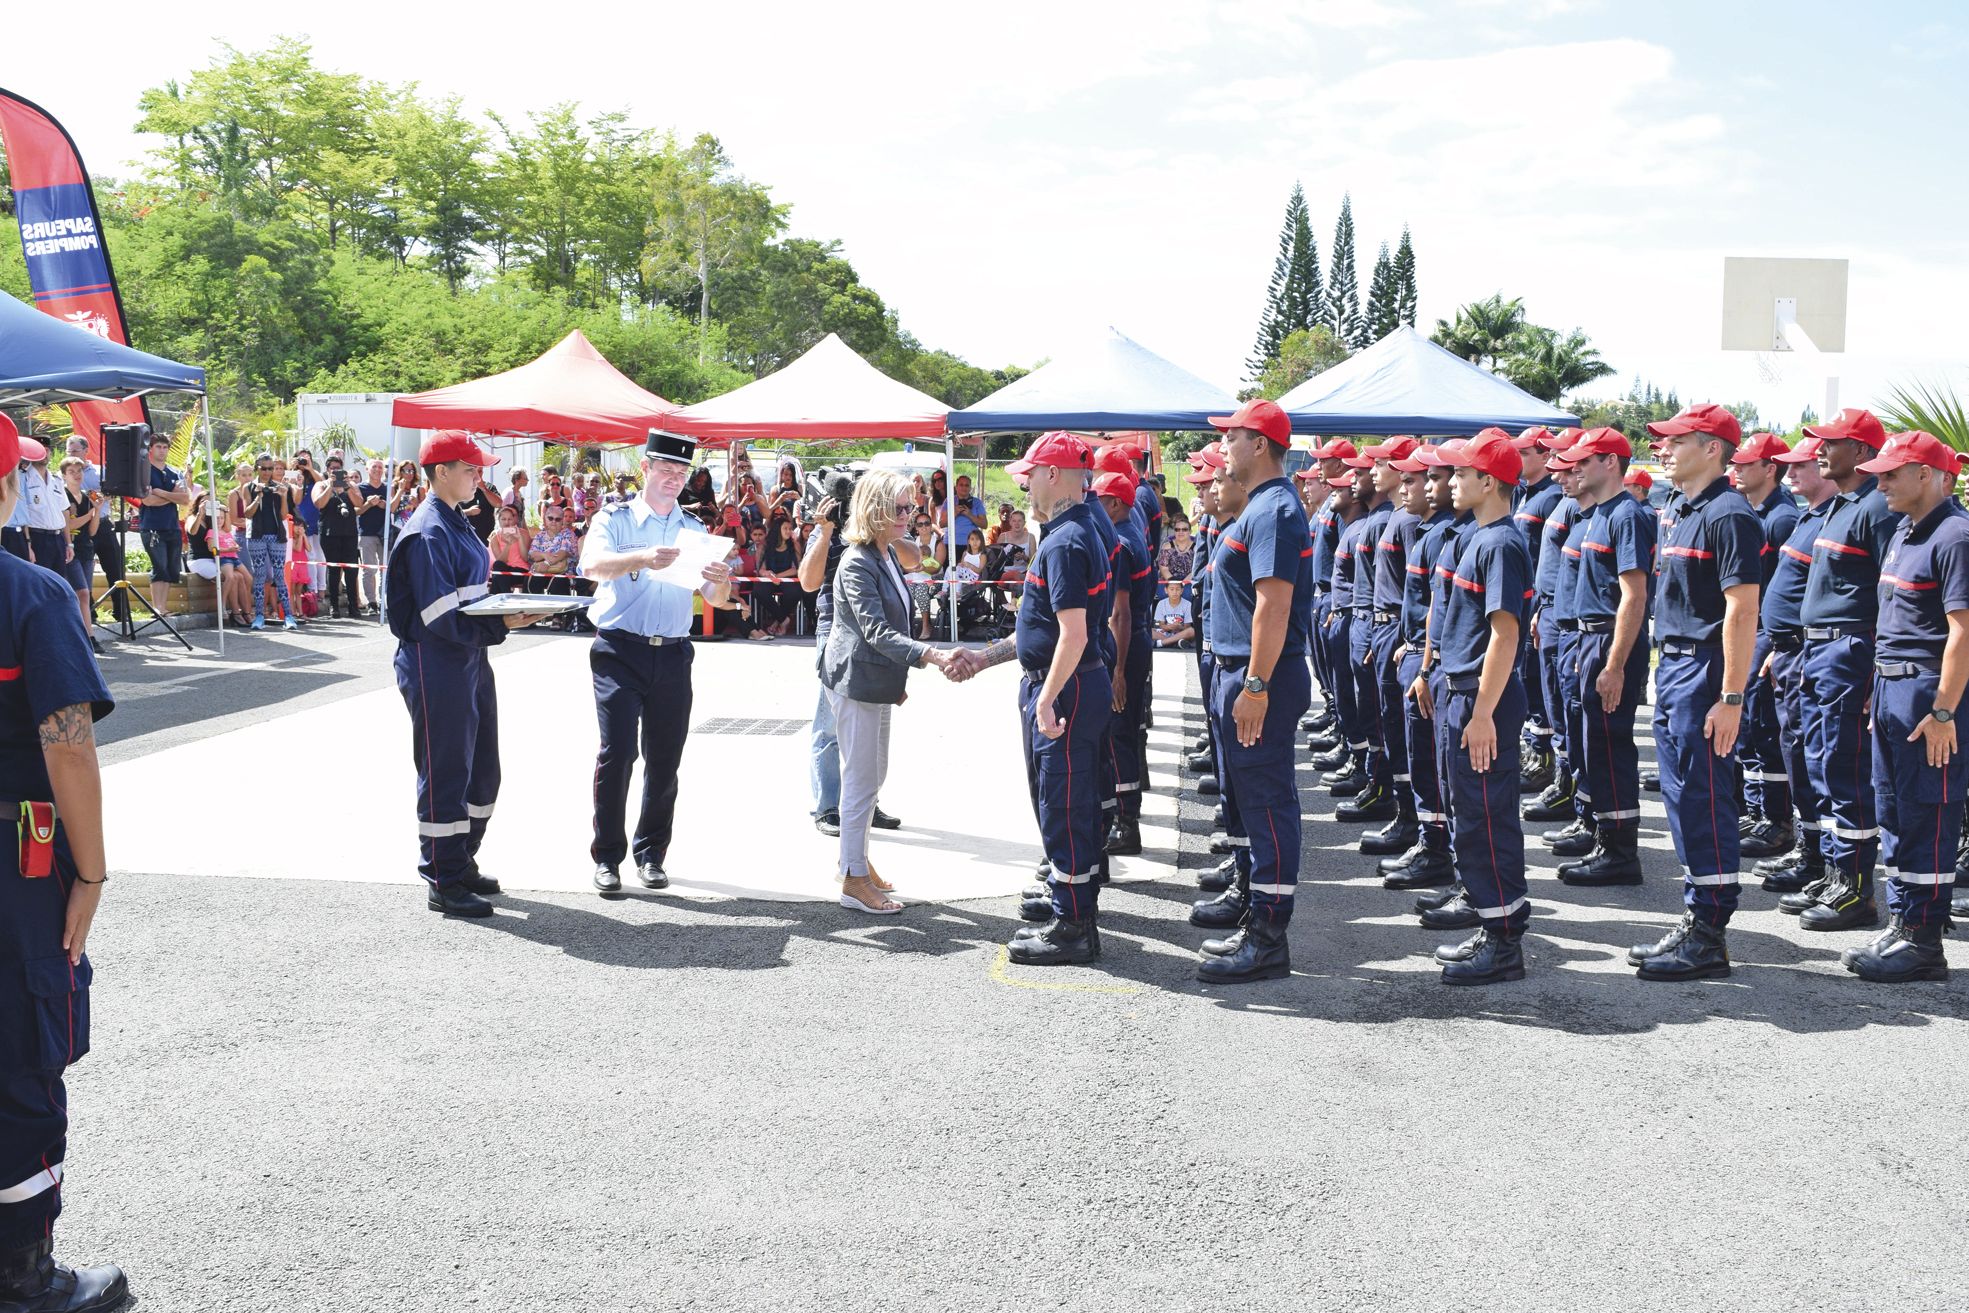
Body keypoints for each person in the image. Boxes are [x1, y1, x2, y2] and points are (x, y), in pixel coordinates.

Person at [0, 416, 127, 1312]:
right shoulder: (31, 595)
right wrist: (90, 872)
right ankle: (21, 1276)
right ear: (11, 486)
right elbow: (68, 748)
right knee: (17, 1056)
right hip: (16, 859)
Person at [1614, 404, 1762, 981]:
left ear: (1714, 450)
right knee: (1679, 798)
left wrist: (1731, 697)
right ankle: (1697, 917)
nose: (1665, 449)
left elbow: (1742, 608)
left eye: (1679, 441)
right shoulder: (1676, 508)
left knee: (1703, 798)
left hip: (1705, 672)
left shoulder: (1729, 515)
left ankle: (1709, 934)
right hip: (1674, 666)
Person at [957, 432, 1112, 966]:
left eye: (1030, 473)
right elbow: (1039, 628)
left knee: (1063, 807)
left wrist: (1045, 700)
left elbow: (1072, 635)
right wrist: (985, 657)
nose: (1022, 483)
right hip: (1063, 680)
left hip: (1063, 686)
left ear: (1053, 473)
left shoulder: (1066, 540)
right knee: (1064, 802)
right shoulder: (1073, 530)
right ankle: (1071, 908)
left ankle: (1073, 925)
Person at [386, 432, 537, 918]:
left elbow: (469, 596)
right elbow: (438, 613)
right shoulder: (429, 527)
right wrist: (505, 621)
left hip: (467, 656)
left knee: (481, 766)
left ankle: (461, 858)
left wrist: (504, 613)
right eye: (471, 469)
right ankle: (443, 878)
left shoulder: (456, 519)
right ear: (442, 472)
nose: (479, 476)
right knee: (446, 768)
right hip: (436, 660)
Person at [1836, 431, 1969, 981]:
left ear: (1928, 475)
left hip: (1928, 695)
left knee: (1928, 813)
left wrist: (1942, 712)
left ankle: (1924, 941)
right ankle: (1904, 921)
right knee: (1893, 810)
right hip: (1892, 689)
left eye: (1893, 473)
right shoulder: (1906, 531)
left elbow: (1963, 633)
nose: (1881, 481)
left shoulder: (1955, 535)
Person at [579, 431, 735, 895]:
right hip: (619, 649)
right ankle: (608, 856)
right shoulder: (617, 517)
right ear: (645, 468)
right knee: (618, 753)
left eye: (682, 472)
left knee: (665, 761)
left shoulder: (694, 529)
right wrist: (642, 558)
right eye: (666, 469)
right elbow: (591, 566)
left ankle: (651, 853)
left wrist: (722, 582)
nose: (674, 479)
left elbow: (714, 598)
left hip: (671, 652)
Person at [1417, 429, 1536, 983]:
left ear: (1489, 481)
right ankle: (1490, 922)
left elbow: (1504, 637)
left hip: (1480, 698)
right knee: (1470, 815)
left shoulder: (1501, 543)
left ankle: (1505, 941)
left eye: (1461, 473)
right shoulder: (1478, 537)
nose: (1451, 481)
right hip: (1461, 691)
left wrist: (1484, 711)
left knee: (1488, 820)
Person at [820, 472, 965, 914]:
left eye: (912, 508)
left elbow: (891, 624)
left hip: (874, 683)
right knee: (862, 782)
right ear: (876, 509)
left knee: (872, 777)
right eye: (901, 508)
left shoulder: (881, 554)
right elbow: (877, 631)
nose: (910, 516)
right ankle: (853, 879)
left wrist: (899, 680)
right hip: (856, 682)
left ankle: (857, 862)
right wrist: (931, 655)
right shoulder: (858, 561)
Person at [1792, 408, 1896, 931]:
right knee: (1825, 767)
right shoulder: (1843, 505)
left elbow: (1889, 594)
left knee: (1848, 769)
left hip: (1850, 653)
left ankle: (1856, 891)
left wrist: (1874, 668)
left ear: (1861, 451)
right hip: (1822, 653)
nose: (1819, 451)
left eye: (1831, 443)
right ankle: (1839, 874)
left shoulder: (1878, 508)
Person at [1755, 439, 1838, 896]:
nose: (1791, 471)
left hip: (1811, 654)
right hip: (1788, 651)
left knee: (1818, 761)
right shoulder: (1808, 517)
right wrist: (1778, 643)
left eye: (1800, 464)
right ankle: (1810, 848)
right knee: (1797, 756)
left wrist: (1798, 644)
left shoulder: (1817, 516)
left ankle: (1823, 857)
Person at [1377, 444, 1457, 890]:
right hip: (1412, 652)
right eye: (1410, 478)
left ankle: (1435, 846)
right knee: (1418, 755)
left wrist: (1424, 664)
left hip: (1430, 662)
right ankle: (1427, 837)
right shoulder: (1430, 531)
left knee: (1432, 761)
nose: (1418, 486)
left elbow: (1439, 611)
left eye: (1427, 479)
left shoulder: (1446, 534)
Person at [1729, 432, 1804, 859]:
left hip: (1765, 633)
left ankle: (1776, 821)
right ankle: (1759, 810)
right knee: (1751, 729)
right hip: (1755, 632)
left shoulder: (1780, 518)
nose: (1736, 469)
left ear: (1768, 469)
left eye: (1746, 463)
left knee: (1764, 726)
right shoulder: (1758, 511)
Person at [1094, 466, 1155, 856]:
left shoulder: (1120, 541)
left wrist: (1116, 671)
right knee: (1126, 731)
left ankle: (1125, 823)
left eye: (1098, 498)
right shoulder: (1131, 531)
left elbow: (1120, 613)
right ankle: (1126, 817)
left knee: (1118, 737)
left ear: (1114, 503)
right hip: (1135, 642)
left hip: (1125, 645)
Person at [1509, 429, 1563, 790]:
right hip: (1519, 601)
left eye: (1524, 452)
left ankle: (1543, 758)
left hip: (1536, 603)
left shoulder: (1552, 497)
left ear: (1545, 456)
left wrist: (1541, 607)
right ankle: (1534, 750)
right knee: (1527, 679)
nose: (1517, 458)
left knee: (1538, 683)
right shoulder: (1524, 495)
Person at [135, 435, 191, 619]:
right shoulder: (144, 471)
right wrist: (170, 495)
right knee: (159, 566)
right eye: (158, 446)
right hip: (152, 526)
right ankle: (156, 607)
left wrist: (160, 492)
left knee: (170, 569)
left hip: (172, 526)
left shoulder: (175, 472)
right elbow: (148, 501)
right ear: (150, 448)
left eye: (165, 447)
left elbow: (185, 499)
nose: (162, 450)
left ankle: (163, 607)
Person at [240, 452, 298, 631]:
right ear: (257, 467)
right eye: (264, 468)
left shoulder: (279, 487)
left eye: (270, 468)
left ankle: (288, 615)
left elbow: (283, 515)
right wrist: (258, 497)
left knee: (279, 574)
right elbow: (247, 514)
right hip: (256, 535)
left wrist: (281, 496)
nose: (267, 472)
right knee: (259, 575)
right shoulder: (248, 487)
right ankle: (259, 615)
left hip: (277, 535)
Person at [57, 458, 102, 651]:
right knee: (81, 592)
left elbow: (92, 531)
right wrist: (90, 515)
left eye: (79, 470)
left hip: (86, 548)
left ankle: (86, 635)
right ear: (64, 475)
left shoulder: (86, 497)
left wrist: (97, 510)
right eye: (72, 471)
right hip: (70, 548)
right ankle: (87, 635)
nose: (77, 474)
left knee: (85, 594)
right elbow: (68, 524)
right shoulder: (62, 496)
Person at [312, 454, 364, 619]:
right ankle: (334, 606)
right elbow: (319, 504)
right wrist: (330, 486)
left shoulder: (351, 485)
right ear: (327, 470)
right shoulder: (320, 484)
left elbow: (359, 503)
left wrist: (348, 487)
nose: (335, 471)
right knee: (333, 570)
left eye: (338, 468)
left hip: (349, 532)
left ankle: (353, 606)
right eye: (332, 468)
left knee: (351, 570)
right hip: (329, 533)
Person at [356, 458, 388, 614]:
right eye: (374, 467)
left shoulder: (388, 488)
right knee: (369, 570)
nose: (377, 470)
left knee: (385, 569)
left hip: (386, 534)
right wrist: (368, 504)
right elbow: (357, 511)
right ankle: (371, 602)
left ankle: (383, 601)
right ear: (367, 469)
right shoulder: (359, 488)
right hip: (367, 533)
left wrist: (384, 505)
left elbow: (395, 508)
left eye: (380, 467)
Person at [1154, 579, 1195, 648]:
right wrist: (1169, 627)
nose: (1175, 592)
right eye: (1171, 589)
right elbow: (1160, 625)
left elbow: (1187, 626)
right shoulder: (1161, 603)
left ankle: (1162, 643)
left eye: (1178, 589)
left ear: (1182, 591)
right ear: (1166, 590)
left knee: (1192, 631)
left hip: (1180, 634)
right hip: (1165, 633)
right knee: (1149, 630)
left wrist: (1179, 627)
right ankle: (1175, 643)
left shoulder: (1188, 604)